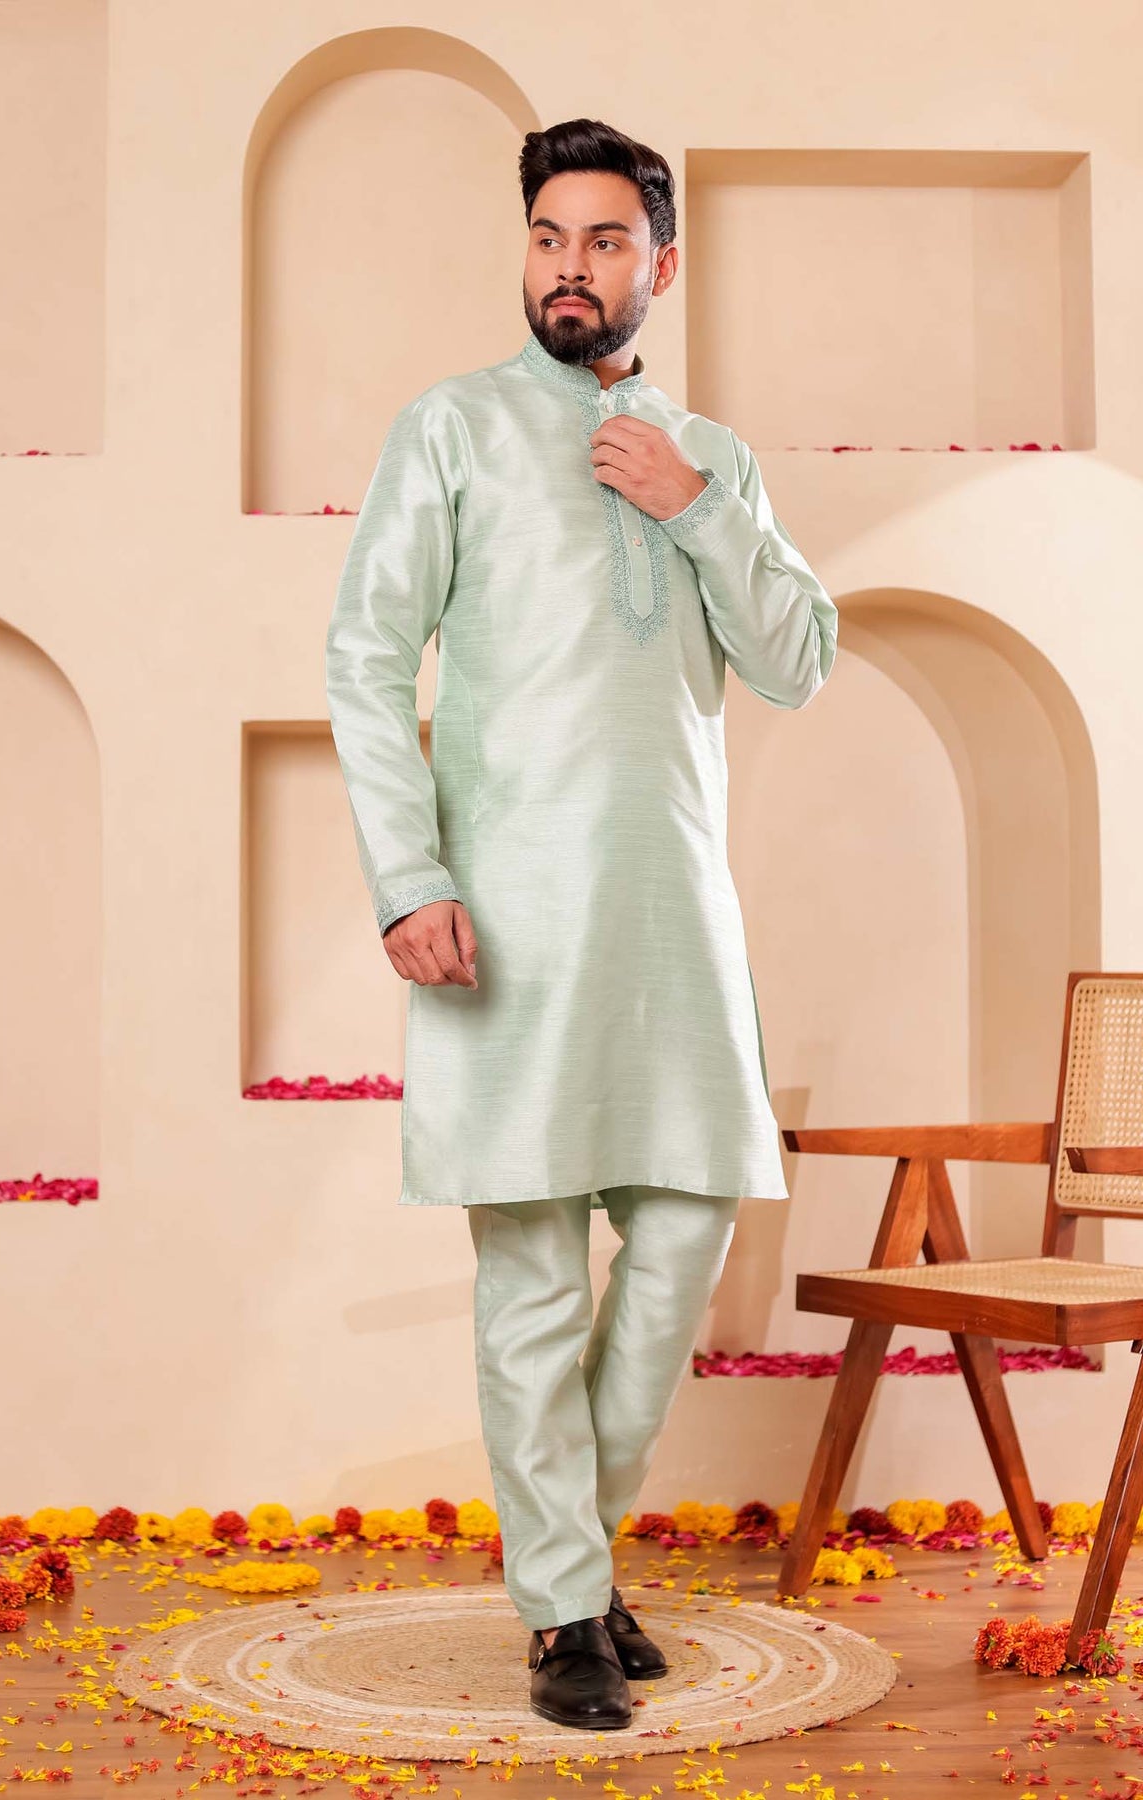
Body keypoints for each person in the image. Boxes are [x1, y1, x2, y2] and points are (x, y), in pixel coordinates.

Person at [324, 117, 838, 1730]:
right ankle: (567, 1613)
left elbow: (798, 658)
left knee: (682, 1242)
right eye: (550, 236)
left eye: (605, 240)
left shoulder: (713, 456)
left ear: (659, 264)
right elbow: (363, 657)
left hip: (672, 920)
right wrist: (408, 877)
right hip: (507, 919)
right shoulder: (455, 429)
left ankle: (573, 1560)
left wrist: (698, 506)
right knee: (534, 1275)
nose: (571, 266)